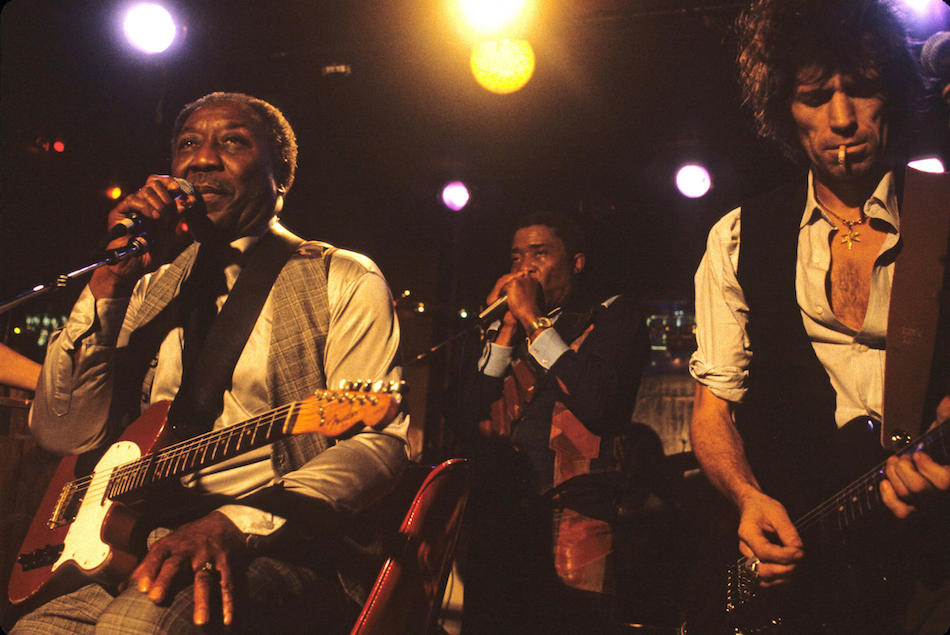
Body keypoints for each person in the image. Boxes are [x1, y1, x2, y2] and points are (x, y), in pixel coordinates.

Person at [16, 92, 409, 633]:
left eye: (232, 142)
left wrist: (231, 523)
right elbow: (61, 434)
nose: (202, 158)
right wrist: (109, 281)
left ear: (283, 176)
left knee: (133, 628)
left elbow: (381, 443)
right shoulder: (144, 285)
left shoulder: (340, 278)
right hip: (123, 541)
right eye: (188, 144)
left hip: (279, 546)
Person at [689, 0, 950, 631]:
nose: (842, 120)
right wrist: (748, 498)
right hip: (811, 567)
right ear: (785, 111)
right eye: (814, 96)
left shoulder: (944, 216)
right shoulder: (737, 237)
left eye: (860, 90)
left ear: (891, 91)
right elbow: (712, 409)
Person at [461, 212, 650, 633]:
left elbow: (599, 402)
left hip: (577, 515)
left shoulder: (614, 316)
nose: (524, 267)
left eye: (540, 253)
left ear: (577, 262)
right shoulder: (509, 329)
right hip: (504, 520)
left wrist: (532, 319)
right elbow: (468, 412)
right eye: (516, 256)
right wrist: (507, 330)